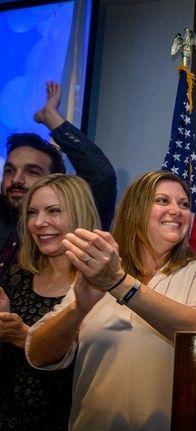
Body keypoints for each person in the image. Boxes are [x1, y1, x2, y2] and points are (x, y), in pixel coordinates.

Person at [26, 170, 196, 430]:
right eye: (162, 201)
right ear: (135, 210)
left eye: (184, 204)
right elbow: (38, 355)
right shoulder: (98, 271)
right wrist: (79, 308)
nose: (177, 210)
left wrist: (118, 283)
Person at [0, 174, 99, 430]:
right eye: (32, 213)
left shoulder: (99, 287)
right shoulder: (16, 276)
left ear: (80, 214)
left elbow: (96, 364)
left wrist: (24, 336)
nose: (39, 223)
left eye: (53, 211)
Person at [1, 81, 117, 280]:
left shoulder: (74, 222)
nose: (16, 179)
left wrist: (52, 119)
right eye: (9, 170)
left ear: (54, 181)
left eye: (32, 171)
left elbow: (102, 176)